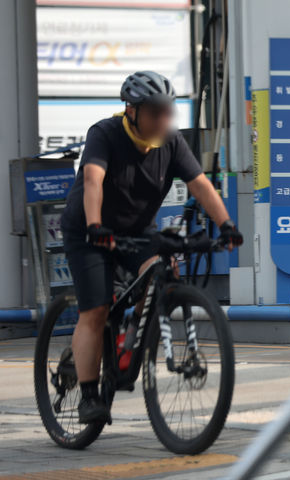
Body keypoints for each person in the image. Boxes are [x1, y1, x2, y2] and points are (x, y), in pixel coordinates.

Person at [60, 71, 243, 424]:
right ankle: (88, 396)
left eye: (167, 111)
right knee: (96, 311)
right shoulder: (105, 134)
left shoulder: (171, 143)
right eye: (154, 112)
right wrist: (96, 225)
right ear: (132, 110)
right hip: (89, 229)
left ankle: (129, 341)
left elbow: (200, 185)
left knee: (163, 273)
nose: (163, 119)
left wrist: (227, 226)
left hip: (136, 230)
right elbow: (93, 180)